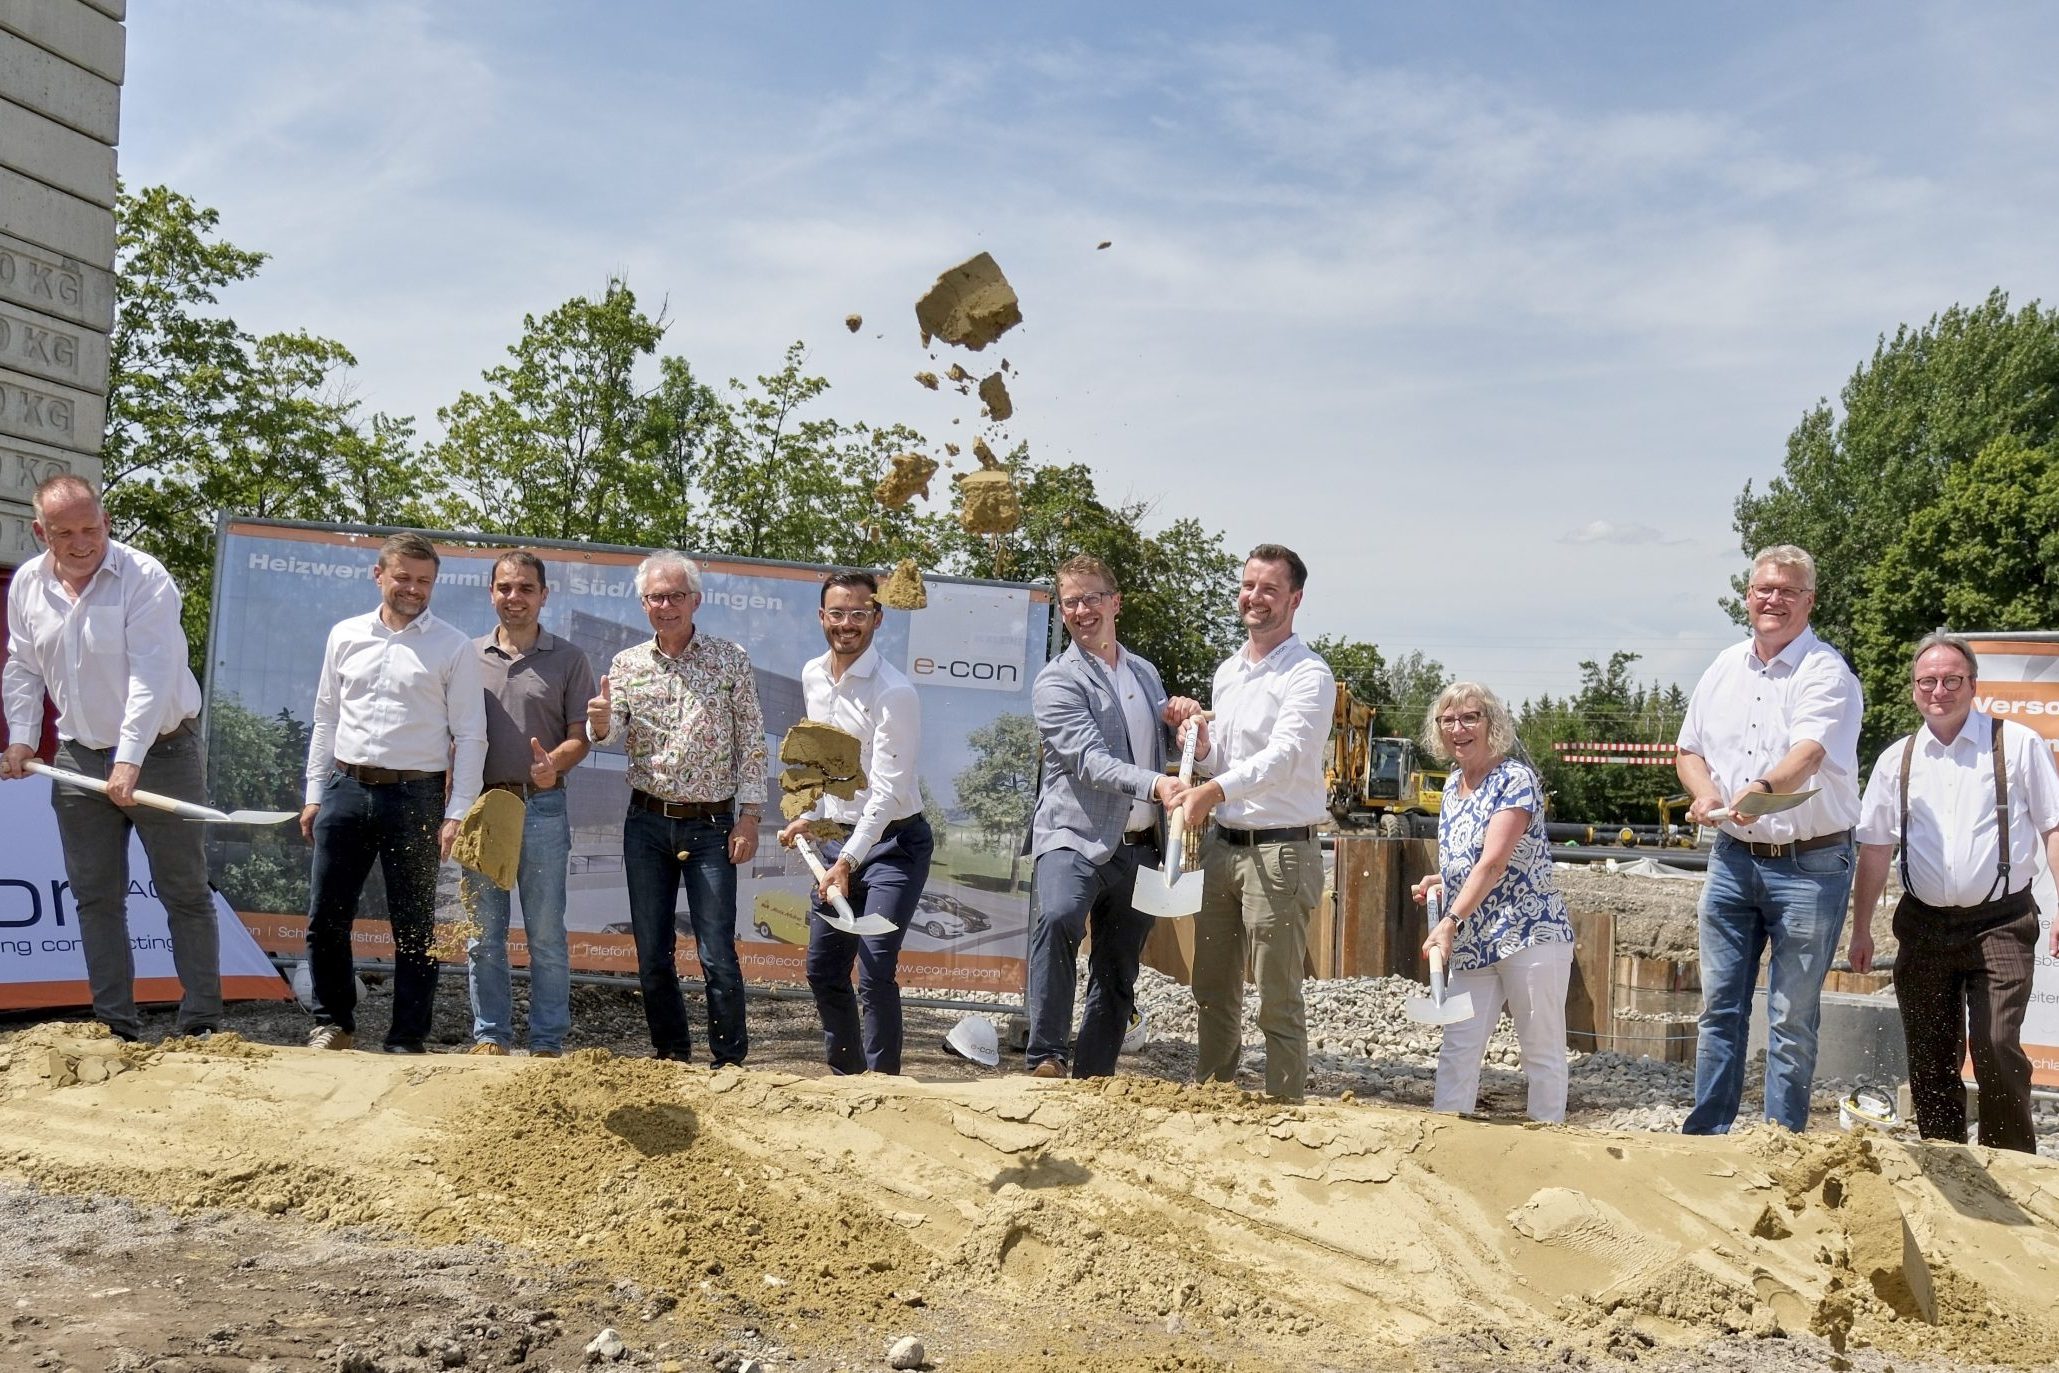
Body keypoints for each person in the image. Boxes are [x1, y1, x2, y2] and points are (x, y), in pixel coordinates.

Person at [1, 474, 220, 1042]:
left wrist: (129, 758)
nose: (81, 543)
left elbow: (153, 676)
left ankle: (201, 1025)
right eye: (64, 533)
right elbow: (22, 666)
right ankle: (115, 1028)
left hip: (162, 753)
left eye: (90, 529)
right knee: (95, 896)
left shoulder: (145, 578)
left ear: (107, 522)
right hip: (75, 760)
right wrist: (23, 738)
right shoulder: (28, 584)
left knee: (184, 890)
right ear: (40, 532)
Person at [1676, 544, 1862, 1133]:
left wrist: (1756, 792)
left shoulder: (1826, 671)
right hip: (1733, 859)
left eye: (1788, 591)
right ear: (1748, 596)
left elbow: (1808, 754)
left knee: (1790, 1018)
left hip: (1811, 864)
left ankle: (1783, 1144)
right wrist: (1706, 792)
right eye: (1765, 589)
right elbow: (1688, 750)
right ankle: (1708, 1138)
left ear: (1809, 601)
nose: (1773, 600)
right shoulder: (1723, 667)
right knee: (1719, 1008)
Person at [1848, 633, 2059, 1152]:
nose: (1939, 691)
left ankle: (2010, 1165)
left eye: (1951, 680)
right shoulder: (1897, 759)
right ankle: (1945, 1161)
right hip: (1922, 923)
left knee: (1996, 1044)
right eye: (1928, 681)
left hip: (2001, 921)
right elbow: (1875, 848)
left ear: (1973, 684)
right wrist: (1860, 929)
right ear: (1914, 689)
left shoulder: (2018, 744)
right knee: (1929, 1053)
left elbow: (2053, 827)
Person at [301, 531, 487, 1053]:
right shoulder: (344, 635)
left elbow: (471, 735)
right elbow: (325, 718)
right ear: (378, 575)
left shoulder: (452, 646)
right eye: (403, 577)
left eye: (424, 581)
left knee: (414, 925)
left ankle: (407, 1036)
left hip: (416, 798)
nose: (413, 589)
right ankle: (333, 1024)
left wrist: (457, 812)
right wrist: (314, 793)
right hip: (344, 787)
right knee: (326, 917)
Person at [1025, 555, 1200, 1079]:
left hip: (1141, 844)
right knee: (1059, 918)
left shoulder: (1145, 673)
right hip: (1073, 837)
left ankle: (1095, 1075)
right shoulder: (1057, 682)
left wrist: (1185, 723)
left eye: (1091, 598)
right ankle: (1046, 1056)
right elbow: (1089, 759)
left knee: (1119, 967)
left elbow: (1161, 744)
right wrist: (1156, 784)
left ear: (1115, 602)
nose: (1082, 610)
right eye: (1071, 602)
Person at [588, 551, 765, 1065]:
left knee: (716, 952)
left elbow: (752, 741)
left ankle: (728, 1061)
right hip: (645, 824)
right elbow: (613, 734)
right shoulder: (627, 664)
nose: (666, 606)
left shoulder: (730, 659)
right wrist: (599, 722)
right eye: (656, 597)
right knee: (652, 954)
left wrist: (750, 816)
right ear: (644, 604)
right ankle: (671, 1055)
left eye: (675, 596)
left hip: (712, 826)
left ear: (695, 601)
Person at [1176, 544, 1337, 1102]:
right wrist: (1200, 750)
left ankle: (1283, 1108)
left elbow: (1286, 756)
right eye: (1249, 586)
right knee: (1212, 988)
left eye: (1270, 589)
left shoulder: (1309, 674)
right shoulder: (1229, 672)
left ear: (1295, 599)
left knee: (1276, 994)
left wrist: (1212, 790)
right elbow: (1223, 760)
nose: (1255, 597)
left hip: (1281, 853)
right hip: (1222, 847)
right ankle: (1213, 1096)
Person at [776, 570, 931, 1074]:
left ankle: (883, 1086)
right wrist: (809, 817)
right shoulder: (812, 675)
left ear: (877, 618)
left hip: (894, 845)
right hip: (834, 842)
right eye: (837, 613)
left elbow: (885, 793)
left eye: (859, 613)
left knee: (876, 967)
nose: (847, 624)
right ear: (821, 616)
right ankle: (848, 1076)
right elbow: (824, 762)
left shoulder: (895, 692)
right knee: (823, 969)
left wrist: (846, 861)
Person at [1409, 683, 1575, 1122]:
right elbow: (1472, 860)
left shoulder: (1514, 779)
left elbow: (1495, 861)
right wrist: (1444, 880)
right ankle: (1446, 1139)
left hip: (1529, 934)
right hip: (1475, 940)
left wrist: (1449, 920)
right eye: (1448, 720)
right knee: (1458, 1049)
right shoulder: (1451, 785)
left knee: (1540, 1051)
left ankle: (1548, 1145)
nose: (1458, 728)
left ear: (1492, 724)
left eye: (1470, 718)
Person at [464, 550, 595, 1058]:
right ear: (491, 593)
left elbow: (581, 737)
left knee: (545, 935)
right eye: (505, 587)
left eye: (525, 588)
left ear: (544, 595)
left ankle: (547, 1042)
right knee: (483, 936)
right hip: (483, 811)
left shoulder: (569, 658)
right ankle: (490, 1036)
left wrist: (554, 764)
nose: (514, 597)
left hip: (542, 808)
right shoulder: (466, 656)